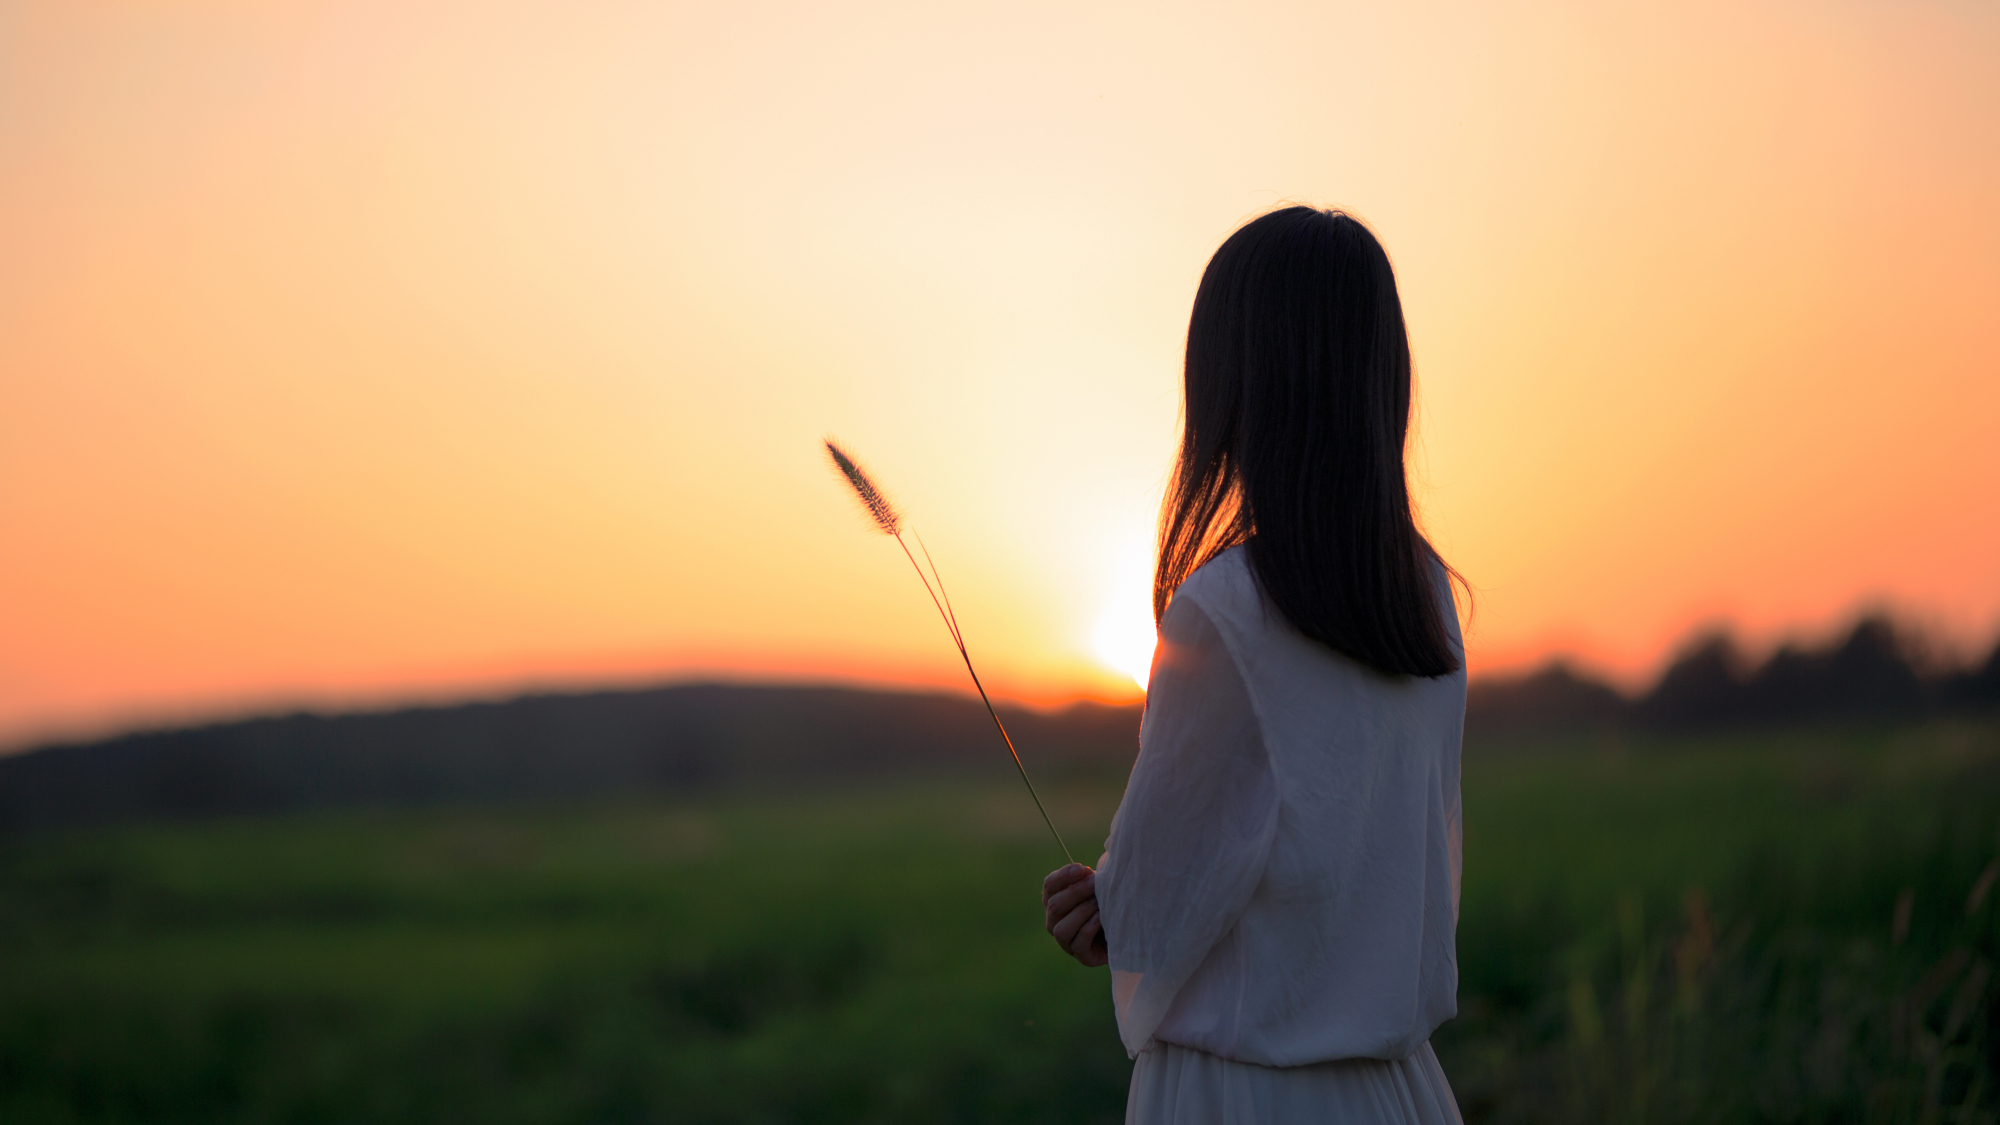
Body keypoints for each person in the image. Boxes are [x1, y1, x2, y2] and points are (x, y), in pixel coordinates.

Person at [1042, 206, 1469, 1124]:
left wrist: (1103, 908)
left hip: (1241, 1094)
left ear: (1236, 379)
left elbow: (1153, 915)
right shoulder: (1429, 599)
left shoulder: (1225, 610)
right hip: (1402, 1093)